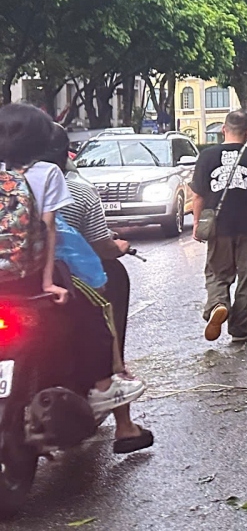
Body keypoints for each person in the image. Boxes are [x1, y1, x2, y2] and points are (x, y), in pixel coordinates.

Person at [0, 104, 143, 418]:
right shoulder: (47, 173)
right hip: (30, 277)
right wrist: (50, 281)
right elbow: (51, 227)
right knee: (95, 309)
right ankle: (105, 386)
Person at [45, 124, 153, 453]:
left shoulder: (10, 184)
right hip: (67, 282)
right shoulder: (73, 188)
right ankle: (123, 425)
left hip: (18, 282)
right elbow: (99, 246)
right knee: (108, 332)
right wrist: (118, 245)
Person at [190, 110, 247, 344]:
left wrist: (197, 223)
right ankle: (240, 329)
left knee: (217, 271)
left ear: (223, 129)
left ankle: (218, 303)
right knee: (246, 277)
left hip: (218, 225)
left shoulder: (207, 156)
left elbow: (198, 196)